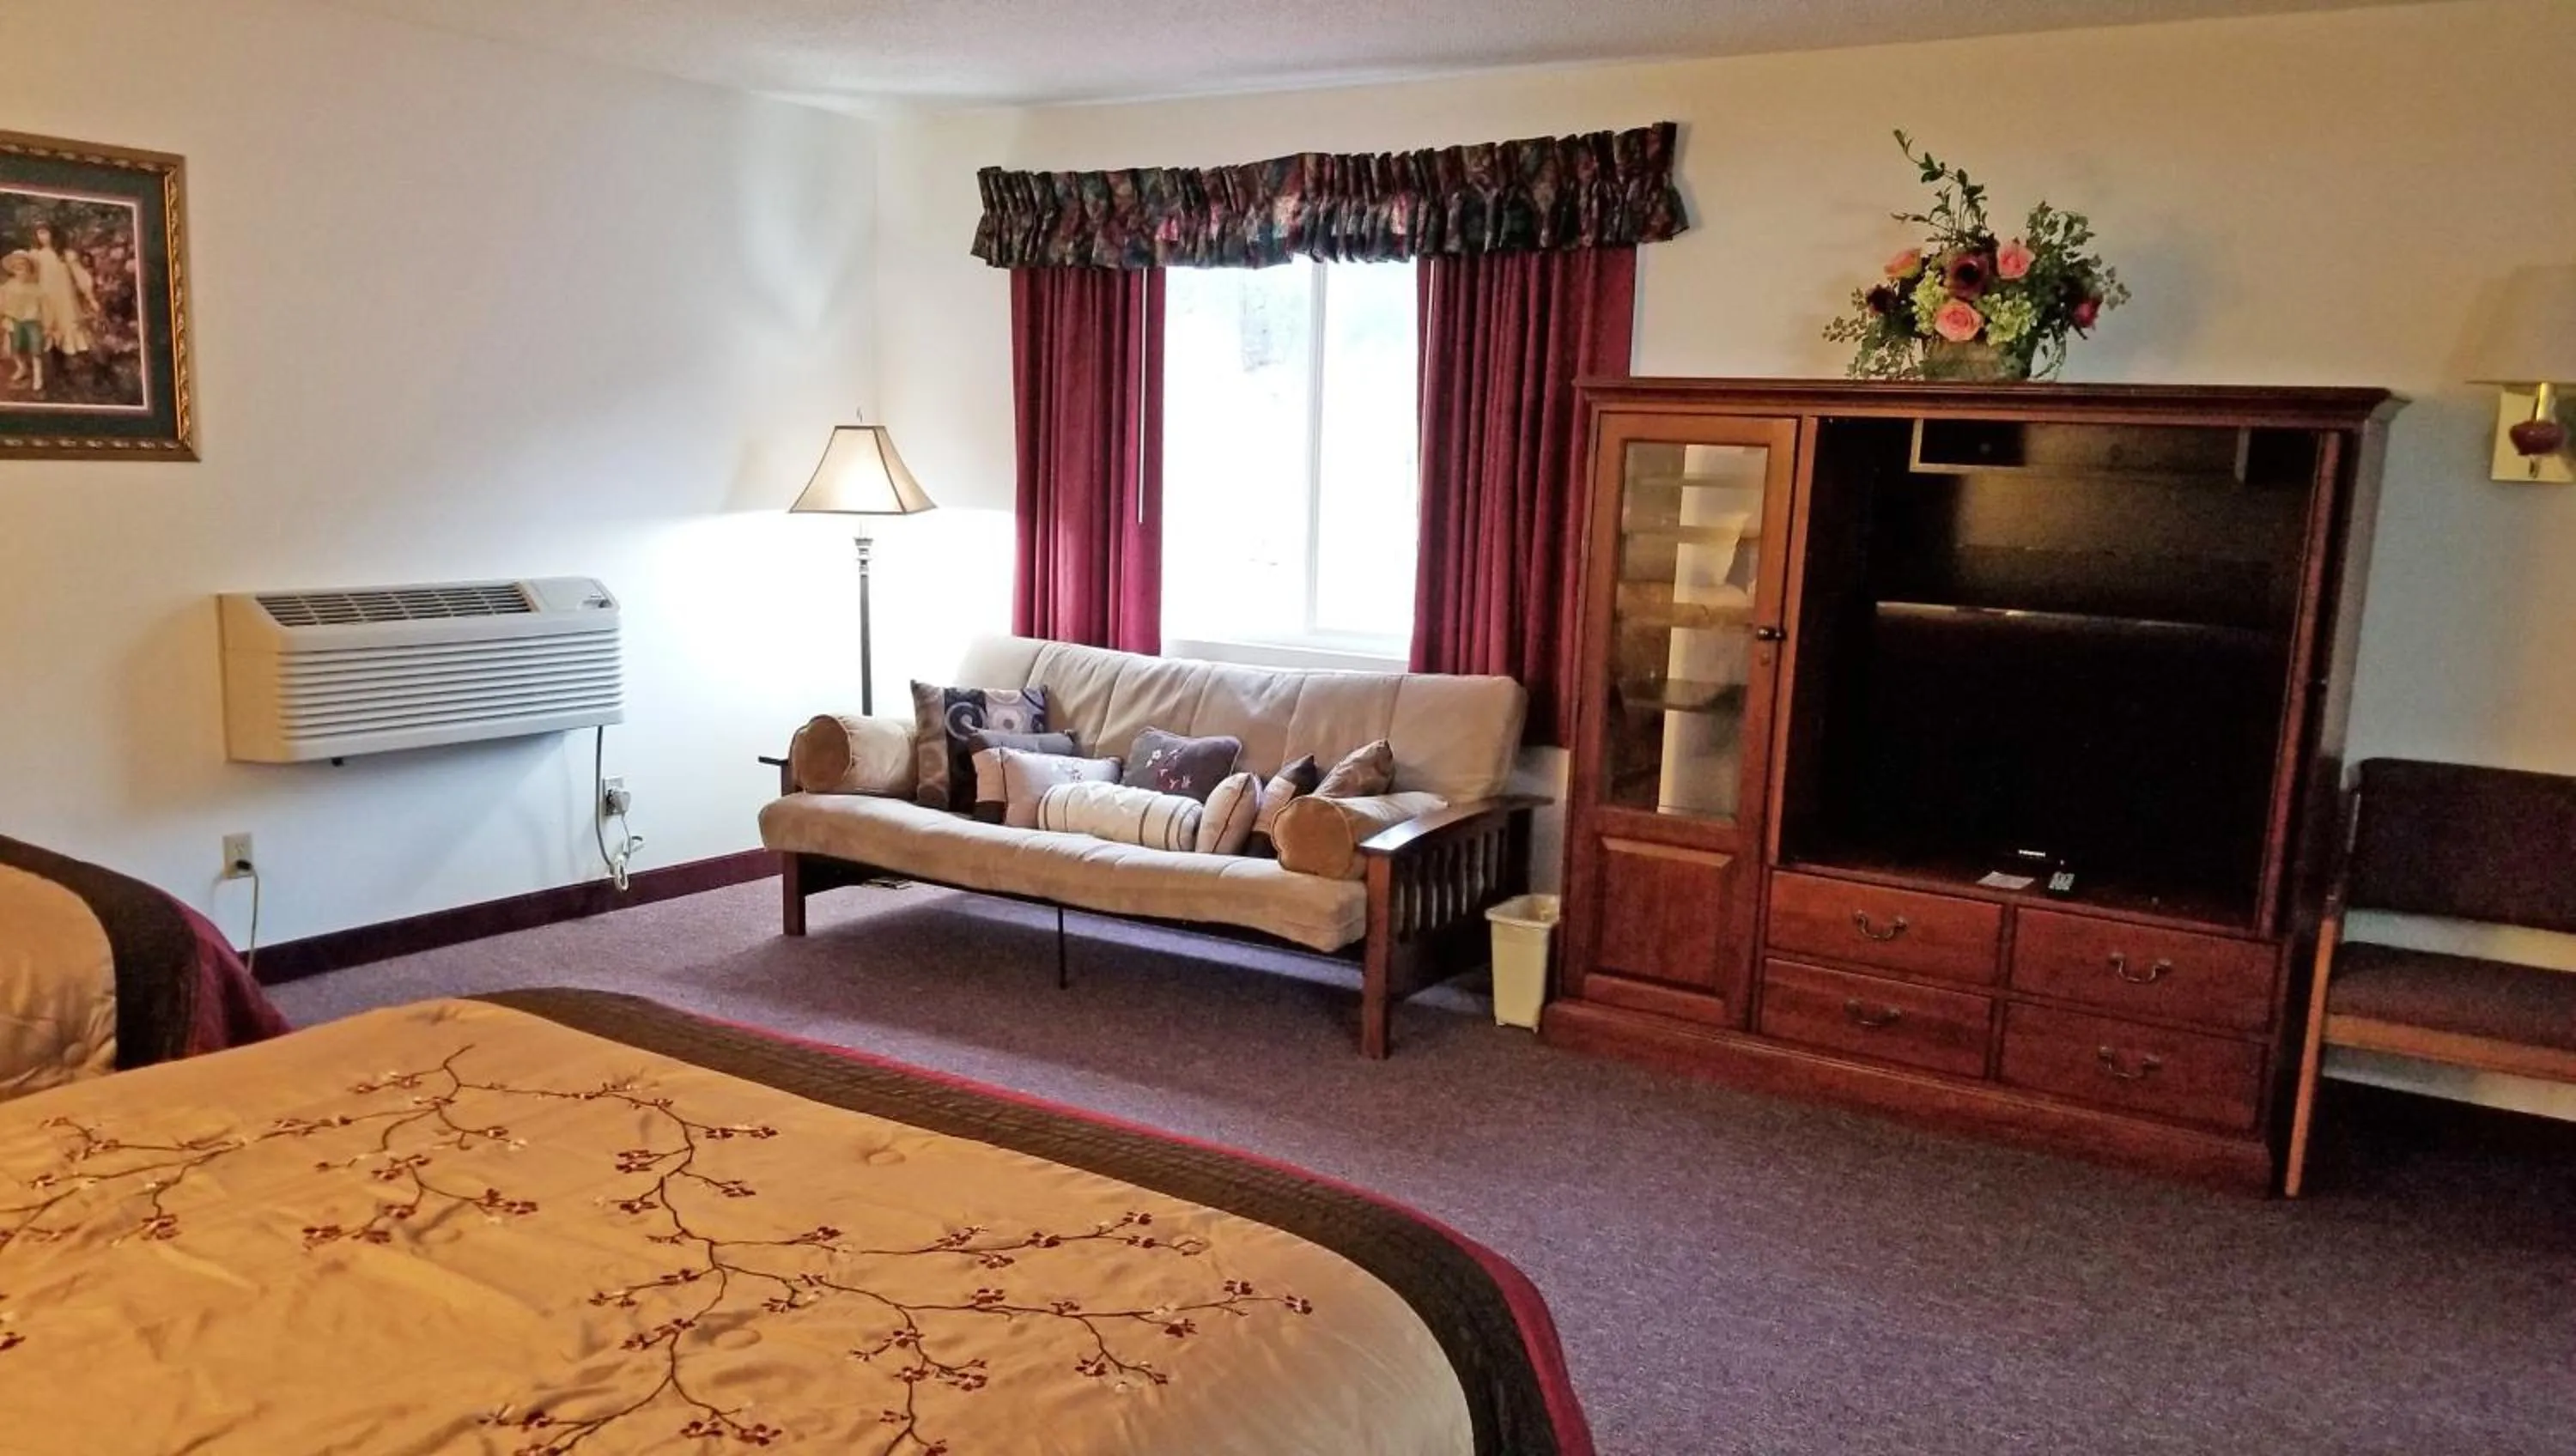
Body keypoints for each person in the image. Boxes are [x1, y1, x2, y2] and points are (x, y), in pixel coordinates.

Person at [1, 252, 46, 391]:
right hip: (15, 321)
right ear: (13, 270)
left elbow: (43, 306)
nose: (21, 272)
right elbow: (3, 302)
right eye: (17, 268)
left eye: (24, 268)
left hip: (31, 321)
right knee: (16, 348)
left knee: (35, 349)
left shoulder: (36, 288)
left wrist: (46, 323)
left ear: (29, 270)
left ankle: (38, 376)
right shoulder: (8, 286)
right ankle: (22, 367)